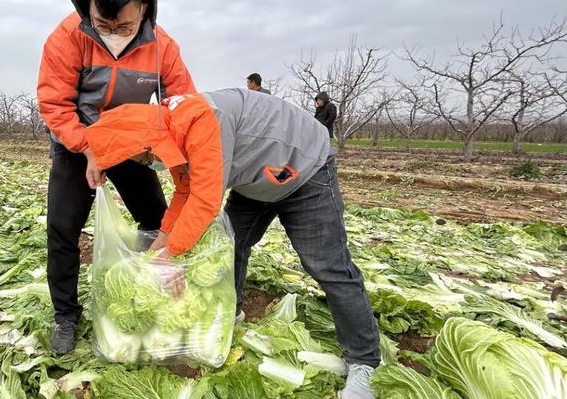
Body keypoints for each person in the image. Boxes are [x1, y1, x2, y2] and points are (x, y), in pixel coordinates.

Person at [85, 89, 381, 398]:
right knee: (231, 247)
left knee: (327, 265)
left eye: (145, 159)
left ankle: (364, 362)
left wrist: (170, 254)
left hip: (303, 171)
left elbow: (205, 200)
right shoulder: (172, 130)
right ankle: (232, 313)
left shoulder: (200, 120)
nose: (150, 164)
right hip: (255, 180)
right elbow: (186, 191)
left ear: (148, 143)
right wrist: (161, 240)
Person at [36, 0, 196, 355]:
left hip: (133, 148)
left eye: (124, 26)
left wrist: (160, 148)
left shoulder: (163, 46)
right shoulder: (67, 37)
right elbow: (55, 103)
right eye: (102, 23)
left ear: (143, 7)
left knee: (157, 221)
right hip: (77, 147)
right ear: (86, 4)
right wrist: (88, 147)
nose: (113, 34)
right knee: (63, 229)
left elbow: (183, 104)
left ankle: (157, 292)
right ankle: (66, 316)